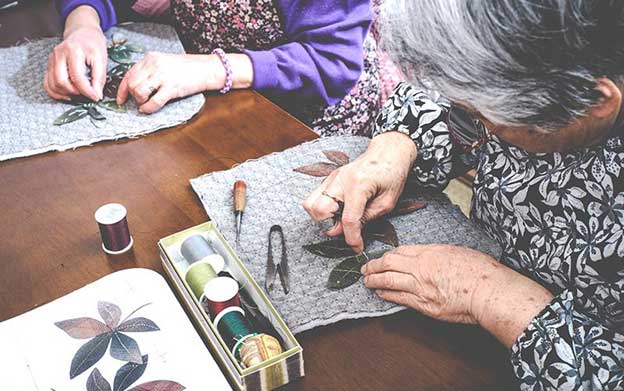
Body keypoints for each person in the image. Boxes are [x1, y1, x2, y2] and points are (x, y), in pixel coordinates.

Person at [303, 0, 624, 389]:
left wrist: (496, 297)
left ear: (594, 102)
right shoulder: (540, 71)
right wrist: (396, 146)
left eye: (493, 120)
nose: (481, 126)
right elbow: (455, 90)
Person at [45, 0, 379, 136]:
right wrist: (82, 24)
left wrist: (209, 69)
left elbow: (331, 62)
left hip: (309, 121)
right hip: (221, 106)